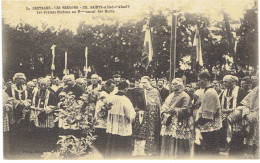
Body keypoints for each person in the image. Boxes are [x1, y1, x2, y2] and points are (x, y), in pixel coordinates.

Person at [160, 78, 192, 158]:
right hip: (168, 121)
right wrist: (164, 111)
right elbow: (165, 105)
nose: (172, 85)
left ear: (180, 85)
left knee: (178, 143)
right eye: (172, 84)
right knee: (168, 140)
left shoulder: (185, 96)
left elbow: (187, 110)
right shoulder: (171, 95)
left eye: (174, 84)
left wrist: (175, 110)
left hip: (179, 123)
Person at [105, 81, 136, 158]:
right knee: (123, 151)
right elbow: (130, 115)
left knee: (113, 149)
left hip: (112, 127)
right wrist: (134, 114)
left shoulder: (111, 97)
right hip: (123, 128)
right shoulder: (125, 100)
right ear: (125, 89)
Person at [132, 76, 162, 157]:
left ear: (150, 82)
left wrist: (148, 105)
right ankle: (140, 150)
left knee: (151, 133)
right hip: (142, 115)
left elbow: (156, 104)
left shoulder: (154, 91)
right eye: (142, 82)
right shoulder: (140, 91)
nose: (143, 84)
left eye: (145, 82)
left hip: (152, 116)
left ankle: (151, 149)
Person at [219, 75, 248, 155]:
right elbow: (219, 103)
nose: (224, 83)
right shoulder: (223, 92)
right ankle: (226, 145)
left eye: (226, 82)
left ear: (233, 82)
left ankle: (235, 149)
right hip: (224, 117)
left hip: (237, 118)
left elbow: (244, 105)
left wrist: (233, 113)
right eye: (223, 81)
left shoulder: (241, 92)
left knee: (236, 135)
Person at [195, 71, 222, 156]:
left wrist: (196, 123)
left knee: (209, 151)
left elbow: (208, 115)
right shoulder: (206, 91)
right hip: (207, 125)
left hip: (210, 127)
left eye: (200, 80)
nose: (198, 83)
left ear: (205, 80)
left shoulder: (210, 92)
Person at [30, 78, 58, 153]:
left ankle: (47, 145)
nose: (43, 86)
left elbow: (54, 105)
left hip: (47, 114)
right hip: (37, 112)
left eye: (44, 85)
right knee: (38, 128)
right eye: (41, 84)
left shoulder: (51, 93)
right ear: (39, 85)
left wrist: (47, 109)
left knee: (46, 129)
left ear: (47, 85)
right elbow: (32, 103)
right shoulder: (35, 93)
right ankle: (38, 145)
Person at [94, 79, 115, 155]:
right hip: (101, 119)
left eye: (114, 87)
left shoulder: (109, 94)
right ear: (106, 86)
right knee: (101, 138)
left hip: (106, 119)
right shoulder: (103, 94)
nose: (113, 89)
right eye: (112, 87)